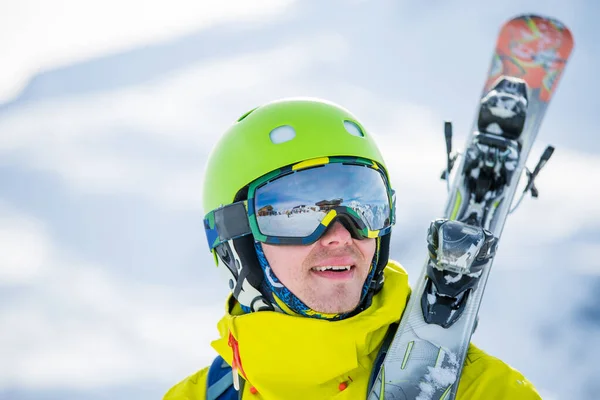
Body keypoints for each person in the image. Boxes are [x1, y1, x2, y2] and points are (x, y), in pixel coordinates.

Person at [163, 98, 541, 399]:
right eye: (295, 213)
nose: (340, 235)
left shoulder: (482, 391)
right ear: (236, 243)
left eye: (364, 205)